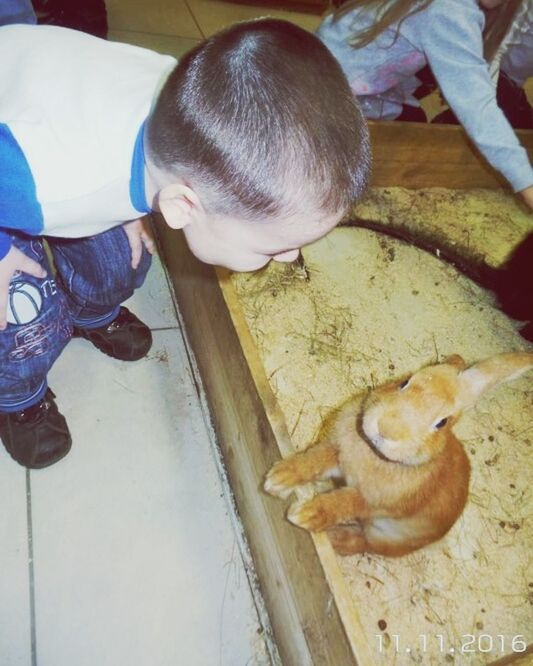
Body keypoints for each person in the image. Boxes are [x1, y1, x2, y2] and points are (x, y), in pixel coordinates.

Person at [0, 19, 371, 469]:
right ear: (181, 206)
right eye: (273, 247)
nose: (290, 256)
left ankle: (92, 312)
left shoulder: (192, 113)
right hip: (20, 162)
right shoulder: (54, 180)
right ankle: (19, 396)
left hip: (58, 140)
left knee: (125, 259)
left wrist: (131, 207)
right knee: (18, 317)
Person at [316, 0, 533, 210]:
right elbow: (478, 108)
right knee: (406, 139)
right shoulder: (450, 9)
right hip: (326, 90)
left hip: (320, 64)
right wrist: (527, 183)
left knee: (414, 120)